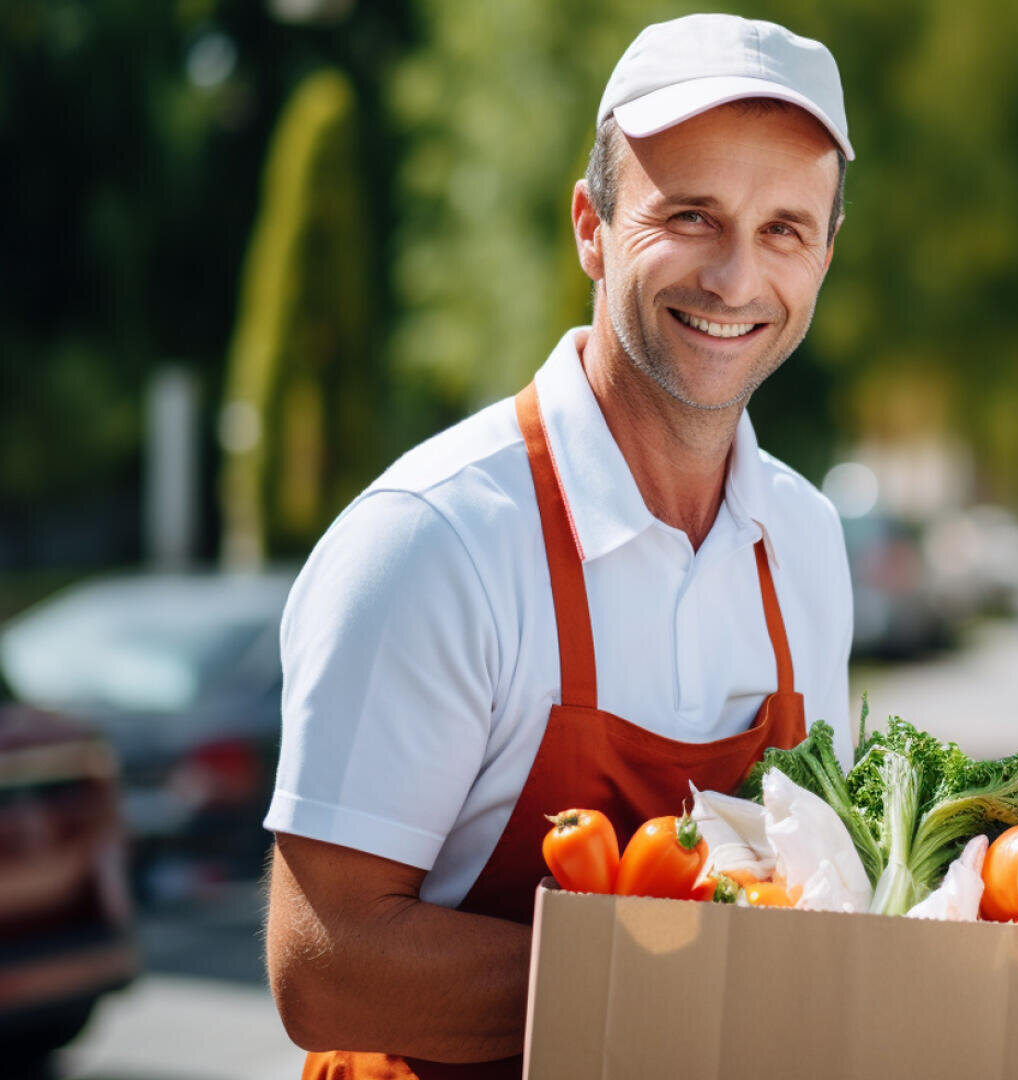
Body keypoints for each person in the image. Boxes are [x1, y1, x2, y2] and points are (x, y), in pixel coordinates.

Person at [261, 15, 856, 1078]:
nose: (734, 278)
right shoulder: (434, 543)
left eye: (783, 230)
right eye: (690, 215)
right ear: (591, 225)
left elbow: (812, 901)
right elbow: (325, 963)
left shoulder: (804, 541)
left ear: (823, 256)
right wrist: (678, 1001)